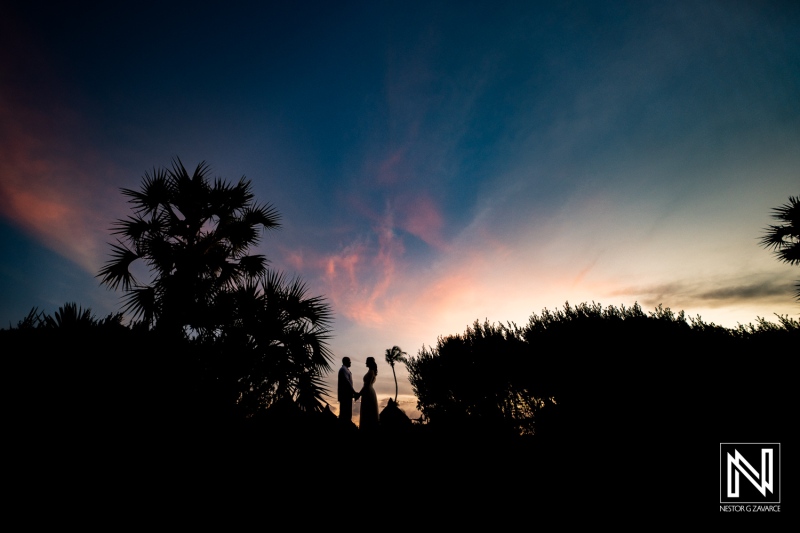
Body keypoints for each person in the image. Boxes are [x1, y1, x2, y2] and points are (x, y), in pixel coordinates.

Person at [358, 357, 379, 430]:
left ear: (370, 363)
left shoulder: (371, 372)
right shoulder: (370, 371)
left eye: (367, 361)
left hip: (368, 392)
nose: (366, 363)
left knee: (367, 412)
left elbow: (366, 385)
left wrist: (359, 394)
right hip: (368, 391)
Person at [338, 357, 359, 423]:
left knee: (348, 415)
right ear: (345, 361)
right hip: (345, 397)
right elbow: (347, 383)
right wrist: (354, 392)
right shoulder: (343, 370)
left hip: (347, 396)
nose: (350, 362)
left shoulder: (346, 370)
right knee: (345, 415)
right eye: (349, 361)